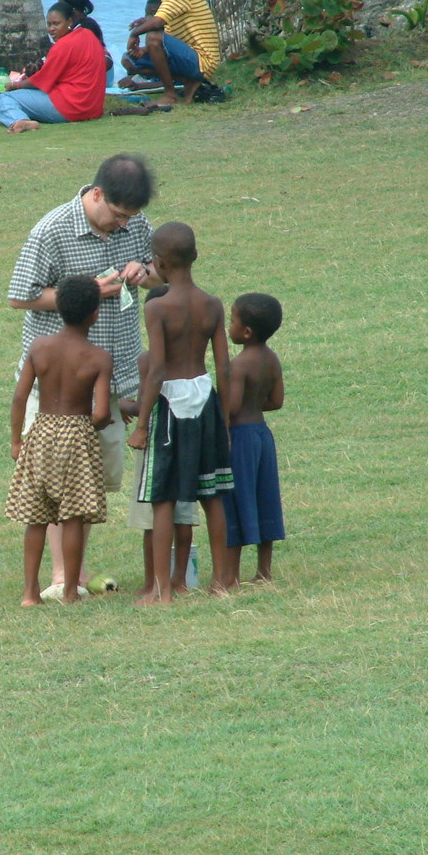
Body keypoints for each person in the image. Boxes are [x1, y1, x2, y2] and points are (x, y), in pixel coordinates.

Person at [7, 154, 160, 592]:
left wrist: (143, 272)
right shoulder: (51, 230)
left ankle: (72, 571)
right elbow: (20, 297)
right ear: (96, 195)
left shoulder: (135, 224)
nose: (122, 225)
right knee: (53, 478)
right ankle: (61, 575)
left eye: (129, 218)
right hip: (60, 381)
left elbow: (157, 274)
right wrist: (87, 292)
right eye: (116, 215)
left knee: (89, 478)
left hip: (114, 374)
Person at [127, 221, 234, 603]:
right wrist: (224, 415)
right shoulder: (212, 304)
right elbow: (223, 366)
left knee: (163, 498)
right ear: (196, 256)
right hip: (204, 396)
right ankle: (221, 581)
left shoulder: (157, 306)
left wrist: (141, 425)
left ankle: (161, 589)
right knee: (213, 494)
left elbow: (156, 369)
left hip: (169, 402)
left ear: (158, 262)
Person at [6, 276, 113, 605]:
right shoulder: (98, 357)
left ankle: (29, 594)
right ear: (95, 313)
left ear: (59, 309)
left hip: (41, 431)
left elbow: (20, 398)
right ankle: (69, 591)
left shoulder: (39, 347)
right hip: (78, 434)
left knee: (36, 516)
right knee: (73, 515)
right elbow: (102, 413)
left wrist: (16, 441)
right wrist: (90, 423)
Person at [120, 297, 200, 597]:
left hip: (155, 440)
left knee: (151, 519)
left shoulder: (147, 360)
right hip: (187, 437)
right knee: (183, 516)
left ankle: (153, 580)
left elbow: (146, 402)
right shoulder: (193, 359)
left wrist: (123, 405)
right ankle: (179, 579)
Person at [222, 293, 286, 584]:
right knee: (264, 495)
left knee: (235, 499)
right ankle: (264, 571)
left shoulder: (237, 366)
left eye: (231, 320)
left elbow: (232, 408)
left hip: (240, 438)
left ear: (246, 332)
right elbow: (277, 401)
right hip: (262, 434)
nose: (228, 326)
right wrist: (254, 404)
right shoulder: (271, 359)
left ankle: (231, 575)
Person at [126, 0, 222, 106]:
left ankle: (170, 94)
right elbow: (166, 39)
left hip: (203, 61)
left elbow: (157, 23)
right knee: (130, 59)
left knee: (153, 36)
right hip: (191, 57)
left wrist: (134, 34)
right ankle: (190, 83)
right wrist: (142, 50)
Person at [0, 2, 106, 134]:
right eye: (49, 24)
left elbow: (41, 81)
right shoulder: (88, 35)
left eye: (56, 24)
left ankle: (18, 119)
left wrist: (15, 85)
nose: (51, 29)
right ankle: (12, 114)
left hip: (70, 107)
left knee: (5, 98)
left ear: (70, 21)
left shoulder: (63, 45)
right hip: (92, 108)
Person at [56, 0, 115, 85]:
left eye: (61, 6)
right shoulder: (77, 25)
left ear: (72, 8)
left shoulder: (86, 26)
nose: (58, 10)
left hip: (100, 76)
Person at [118, 0, 164, 87]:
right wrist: (135, 33)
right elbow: (131, 49)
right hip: (155, 60)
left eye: (153, 14)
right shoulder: (149, 26)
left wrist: (144, 50)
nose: (148, 17)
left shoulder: (171, 28)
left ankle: (147, 80)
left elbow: (163, 46)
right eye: (146, 13)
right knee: (127, 58)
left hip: (170, 62)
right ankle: (144, 76)